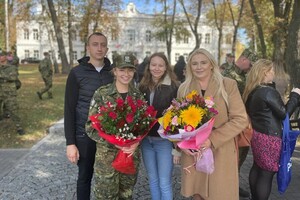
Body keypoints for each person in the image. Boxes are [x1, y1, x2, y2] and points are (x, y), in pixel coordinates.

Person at [177, 48, 248, 200]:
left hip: (221, 150)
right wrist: (181, 144)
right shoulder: (184, 88)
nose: (199, 67)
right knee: (197, 193)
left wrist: (212, 139)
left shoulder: (227, 85)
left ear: (211, 64)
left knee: (220, 194)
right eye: (194, 63)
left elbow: (240, 119)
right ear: (189, 67)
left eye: (203, 62)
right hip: (194, 152)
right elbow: (177, 122)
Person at [86, 54, 144, 199]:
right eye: (122, 70)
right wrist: (114, 142)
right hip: (107, 159)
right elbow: (90, 127)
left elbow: (144, 125)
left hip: (130, 157)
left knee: (126, 195)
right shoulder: (102, 94)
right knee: (106, 197)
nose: (126, 74)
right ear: (115, 71)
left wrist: (136, 142)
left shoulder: (138, 96)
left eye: (130, 70)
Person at [64, 32, 114, 200]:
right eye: (95, 44)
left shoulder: (113, 73)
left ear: (107, 48)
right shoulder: (77, 73)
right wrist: (70, 142)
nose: (99, 48)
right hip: (84, 135)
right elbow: (69, 109)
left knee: (109, 178)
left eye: (102, 44)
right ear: (88, 48)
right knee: (85, 177)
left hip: (109, 136)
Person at [242, 59, 300, 200]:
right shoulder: (268, 91)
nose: (274, 73)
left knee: (257, 168)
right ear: (264, 72)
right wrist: (295, 96)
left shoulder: (252, 90)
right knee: (267, 173)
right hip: (271, 138)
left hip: (258, 136)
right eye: (272, 70)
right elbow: (284, 113)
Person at [138, 52, 179, 200]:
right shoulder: (142, 86)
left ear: (166, 67)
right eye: (153, 65)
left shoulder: (174, 87)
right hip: (146, 141)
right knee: (153, 180)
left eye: (160, 65)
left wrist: (177, 149)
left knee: (164, 182)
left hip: (164, 142)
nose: (156, 68)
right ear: (148, 66)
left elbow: (178, 119)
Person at [222, 48, 258, 198]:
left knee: (241, 156)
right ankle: (225, 188)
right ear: (244, 59)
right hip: (230, 123)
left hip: (242, 124)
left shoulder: (244, 75)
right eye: (250, 65)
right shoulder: (228, 74)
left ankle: (233, 185)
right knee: (230, 158)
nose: (251, 68)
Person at [0, 52, 25, 135]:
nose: (0, 57)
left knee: (13, 110)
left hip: (9, 93)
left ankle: (19, 127)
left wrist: (1, 75)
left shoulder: (11, 67)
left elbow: (13, 77)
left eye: (1, 56)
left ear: (5, 57)